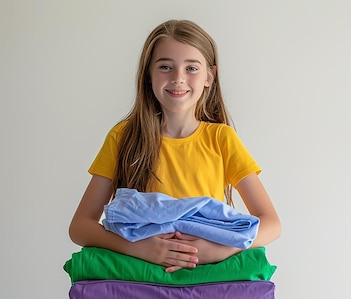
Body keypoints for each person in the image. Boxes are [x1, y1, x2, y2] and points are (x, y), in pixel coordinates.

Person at [69, 19, 281, 272]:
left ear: (209, 77)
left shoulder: (221, 139)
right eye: (166, 67)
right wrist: (142, 249)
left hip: (204, 275)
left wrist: (217, 250)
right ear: (148, 75)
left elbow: (272, 224)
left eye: (191, 68)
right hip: (141, 275)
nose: (178, 78)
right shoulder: (123, 137)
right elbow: (80, 226)